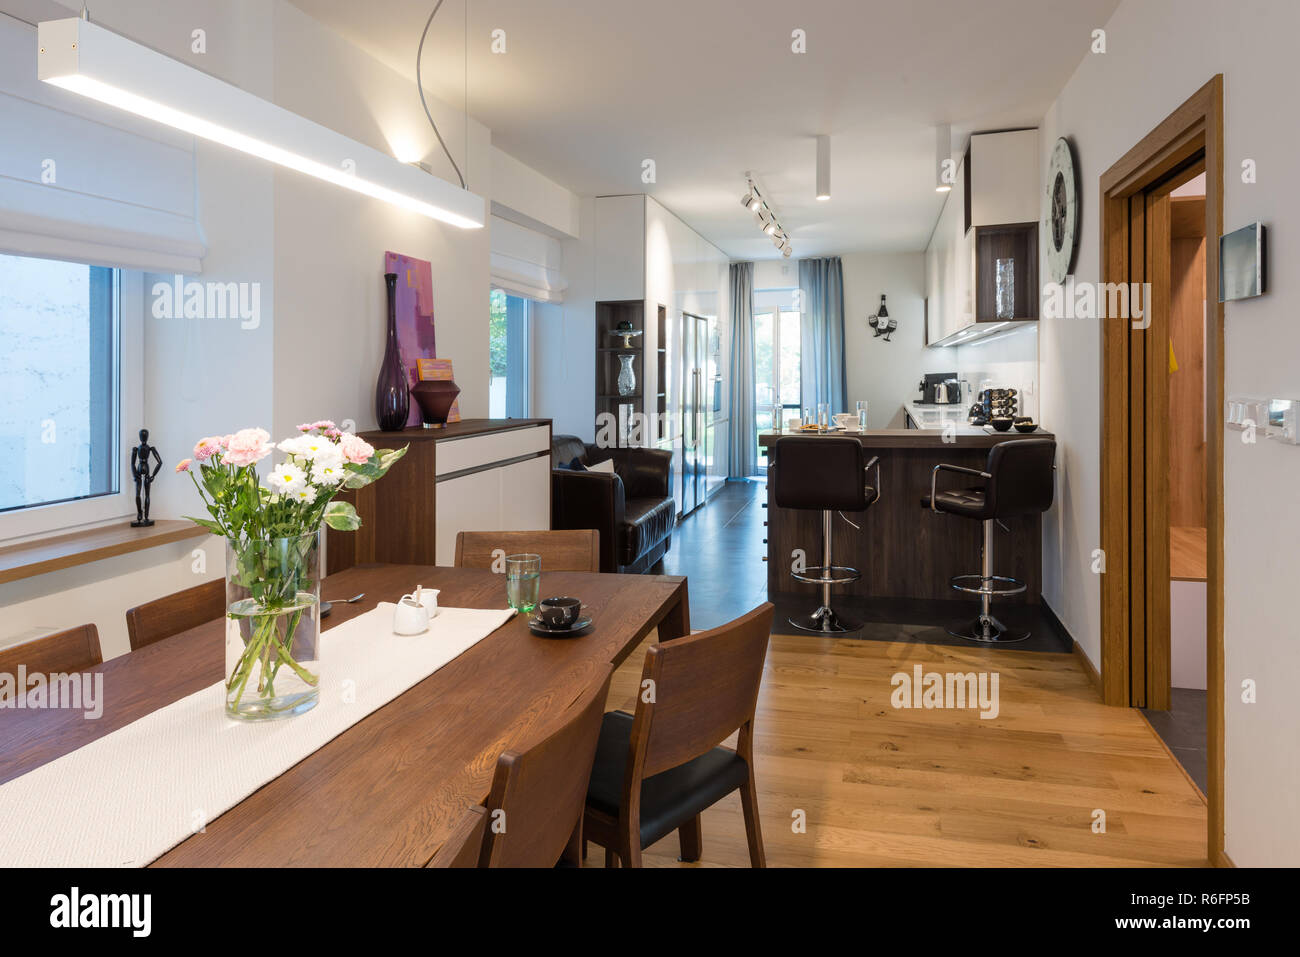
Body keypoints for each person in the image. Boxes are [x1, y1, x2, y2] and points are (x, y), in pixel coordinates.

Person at [130, 428, 162, 527]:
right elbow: (132, 464)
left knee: (147, 495)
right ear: (139, 437)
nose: (143, 438)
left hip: (147, 473)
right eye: (142, 436)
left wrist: (153, 475)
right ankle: (140, 513)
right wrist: (135, 475)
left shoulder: (151, 448)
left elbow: (160, 462)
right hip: (139, 473)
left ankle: (146, 516)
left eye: (145, 436)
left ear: (147, 437)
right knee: (137, 495)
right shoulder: (136, 449)